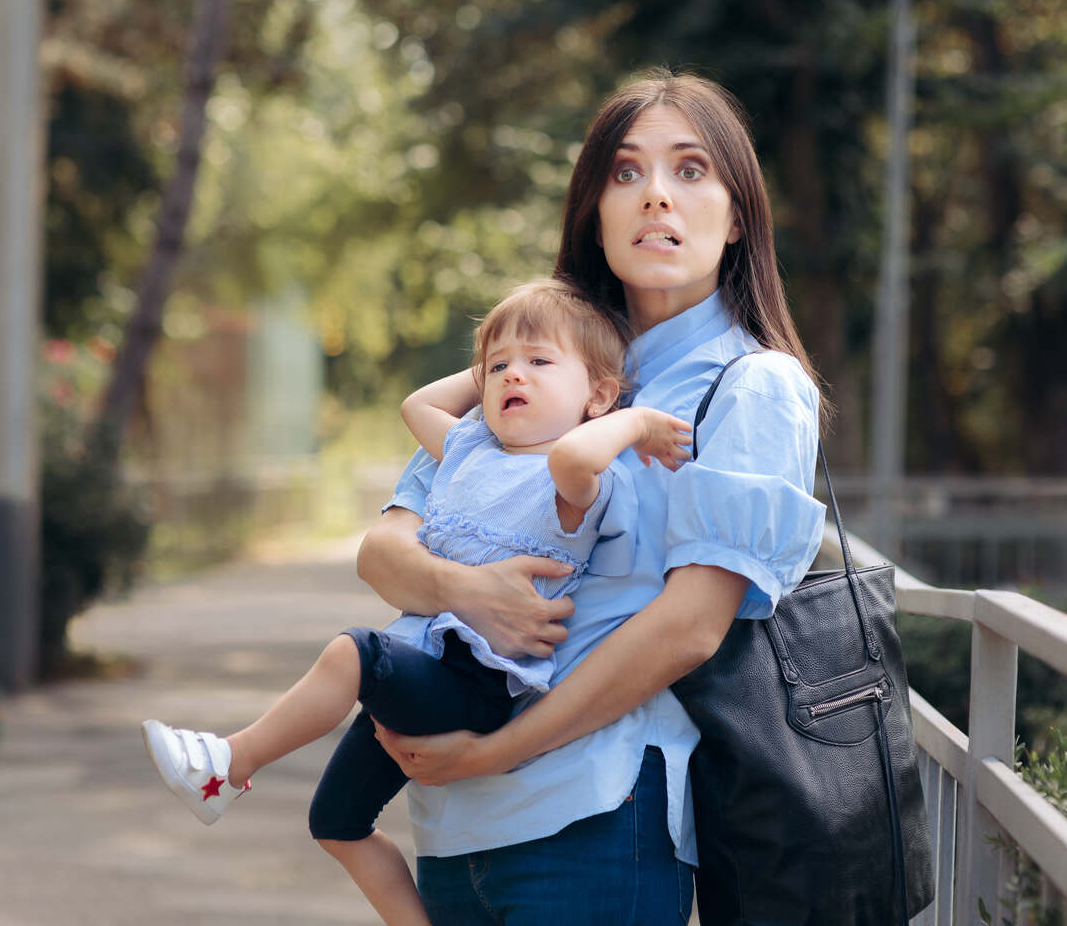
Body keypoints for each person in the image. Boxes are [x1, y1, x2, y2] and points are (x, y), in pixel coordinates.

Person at [354, 67, 833, 923]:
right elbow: (387, 550)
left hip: (595, 814)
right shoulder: (539, 362)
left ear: (736, 220)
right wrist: (468, 590)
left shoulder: (751, 385)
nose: (656, 197)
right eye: (625, 173)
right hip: (453, 828)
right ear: (595, 213)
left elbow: (688, 626)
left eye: (690, 171)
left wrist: (496, 751)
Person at [139, 279, 694, 925]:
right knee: (335, 823)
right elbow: (414, 404)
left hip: (477, 681)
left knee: (356, 653)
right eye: (499, 368)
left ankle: (231, 762)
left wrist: (637, 421)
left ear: (597, 394)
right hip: (428, 664)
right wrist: (503, 356)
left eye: (541, 362)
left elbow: (577, 450)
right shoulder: (469, 449)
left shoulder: (577, 481)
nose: (515, 374)